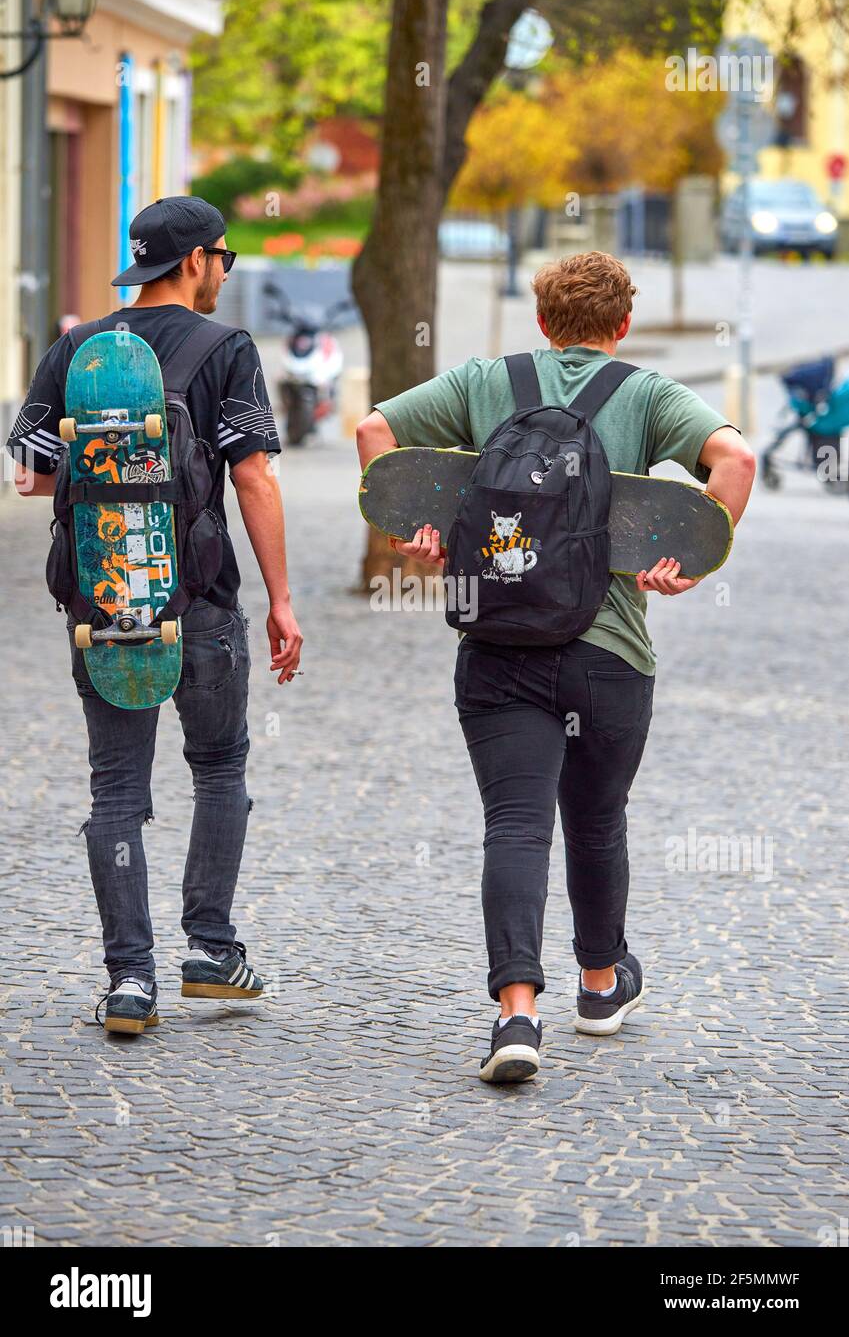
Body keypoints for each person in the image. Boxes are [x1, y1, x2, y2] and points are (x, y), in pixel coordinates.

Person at [357, 251, 755, 1084]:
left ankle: (515, 1014)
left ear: (540, 323)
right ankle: (601, 987)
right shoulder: (645, 394)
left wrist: (416, 527)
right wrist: (686, 558)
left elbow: (375, 434)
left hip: (498, 647)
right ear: (620, 327)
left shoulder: (482, 379)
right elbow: (736, 460)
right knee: (596, 819)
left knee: (515, 826)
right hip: (608, 654)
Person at [7, 196, 304, 1035]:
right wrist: (281, 599)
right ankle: (211, 950)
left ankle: (128, 982)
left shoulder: (79, 347)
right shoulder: (225, 349)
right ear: (197, 260)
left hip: (103, 603)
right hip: (201, 601)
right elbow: (253, 478)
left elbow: (29, 473)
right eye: (224, 259)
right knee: (218, 767)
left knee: (116, 791)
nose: (223, 274)